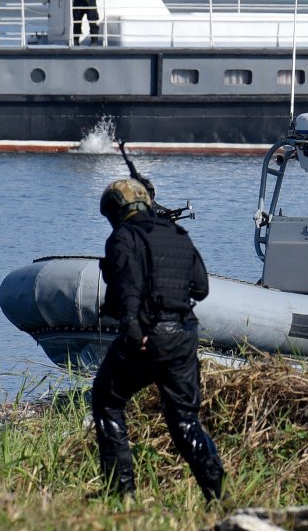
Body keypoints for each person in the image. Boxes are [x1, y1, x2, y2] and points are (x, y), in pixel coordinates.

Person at [92, 178, 227, 502]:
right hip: (183, 335)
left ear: (118, 209)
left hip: (148, 336)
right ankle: (217, 492)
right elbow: (201, 288)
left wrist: (134, 334)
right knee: (183, 418)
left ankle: (120, 492)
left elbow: (127, 293)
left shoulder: (123, 237)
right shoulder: (178, 235)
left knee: (107, 400)